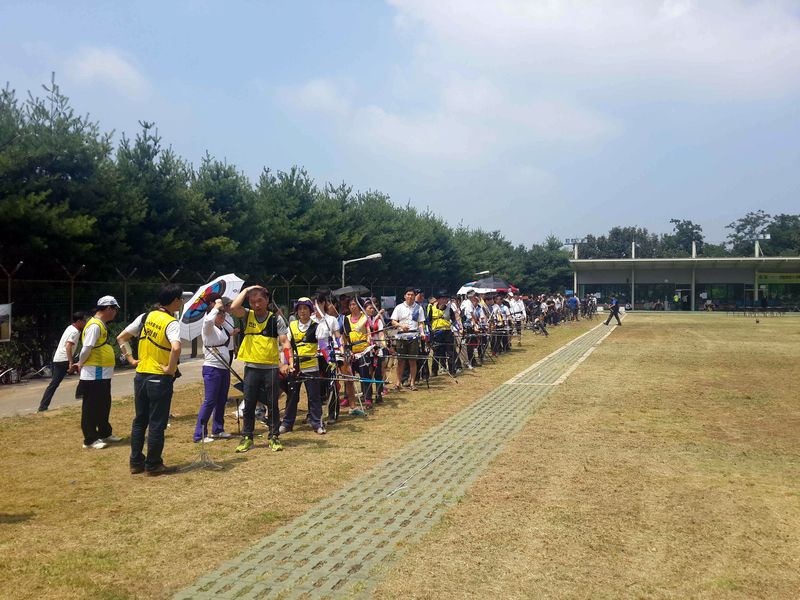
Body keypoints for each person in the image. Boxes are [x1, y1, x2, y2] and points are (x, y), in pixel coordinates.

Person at [118, 284, 183, 475]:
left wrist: (131, 359)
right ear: (175, 301)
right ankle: (153, 464)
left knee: (140, 420)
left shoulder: (145, 317)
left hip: (141, 375)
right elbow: (176, 348)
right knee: (157, 423)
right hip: (159, 378)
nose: (181, 302)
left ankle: (136, 462)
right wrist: (170, 368)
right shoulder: (171, 322)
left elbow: (122, 338)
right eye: (180, 298)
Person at [229, 285, 291, 453]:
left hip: (270, 367)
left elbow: (285, 341)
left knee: (272, 403)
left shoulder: (275, 319)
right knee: (249, 403)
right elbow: (233, 307)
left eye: (260, 301)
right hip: (251, 367)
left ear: (267, 300)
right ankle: (247, 437)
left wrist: (287, 362)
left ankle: (274, 436)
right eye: (252, 302)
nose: (256, 305)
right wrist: (247, 289)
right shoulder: (247, 315)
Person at [77, 296, 122, 450]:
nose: (115, 312)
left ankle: (104, 432)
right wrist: (80, 363)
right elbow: (86, 348)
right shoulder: (95, 326)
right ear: (108, 308)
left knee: (103, 404)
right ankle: (90, 439)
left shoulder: (100, 324)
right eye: (115, 309)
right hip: (94, 372)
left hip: (102, 372)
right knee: (92, 406)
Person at [193, 296, 236, 443]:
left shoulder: (222, 327)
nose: (222, 315)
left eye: (223, 313)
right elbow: (208, 321)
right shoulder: (208, 328)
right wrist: (216, 307)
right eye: (219, 313)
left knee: (221, 399)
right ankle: (200, 434)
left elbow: (231, 330)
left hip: (224, 367)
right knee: (210, 400)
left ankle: (218, 429)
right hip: (212, 368)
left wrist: (223, 313)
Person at [281, 297, 326, 434]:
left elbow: (323, 346)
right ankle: (287, 423)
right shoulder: (292, 326)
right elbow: (287, 346)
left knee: (314, 397)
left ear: (310, 310)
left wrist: (330, 360)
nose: (302, 311)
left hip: (311, 366)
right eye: (300, 308)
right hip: (295, 367)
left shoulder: (317, 326)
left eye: (305, 308)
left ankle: (317, 423)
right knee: (292, 396)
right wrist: (288, 363)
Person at [38, 311, 86, 412]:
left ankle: (43, 406)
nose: (85, 322)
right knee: (85, 368)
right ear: (78, 321)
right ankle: (80, 393)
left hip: (58, 358)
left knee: (54, 383)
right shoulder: (75, 332)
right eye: (84, 321)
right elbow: (68, 346)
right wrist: (70, 362)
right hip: (64, 359)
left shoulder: (70, 327)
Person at [390, 287, 425, 391]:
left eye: (412, 295)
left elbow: (421, 323)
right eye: (408, 294)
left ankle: (412, 383)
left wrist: (422, 332)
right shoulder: (399, 307)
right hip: (401, 336)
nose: (410, 297)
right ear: (405, 296)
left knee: (412, 361)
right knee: (400, 361)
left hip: (414, 336)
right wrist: (401, 326)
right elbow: (393, 321)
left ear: (415, 296)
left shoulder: (419, 308)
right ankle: (398, 383)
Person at [428, 290, 456, 377]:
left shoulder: (449, 309)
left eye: (445, 299)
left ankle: (452, 371)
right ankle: (434, 371)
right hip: (436, 333)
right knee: (436, 352)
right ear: (438, 300)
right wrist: (431, 332)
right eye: (442, 298)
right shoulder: (432, 309)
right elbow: (428, 321)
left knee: (450, 352)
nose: (444, 300)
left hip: (447, 332)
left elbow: (454, 320)